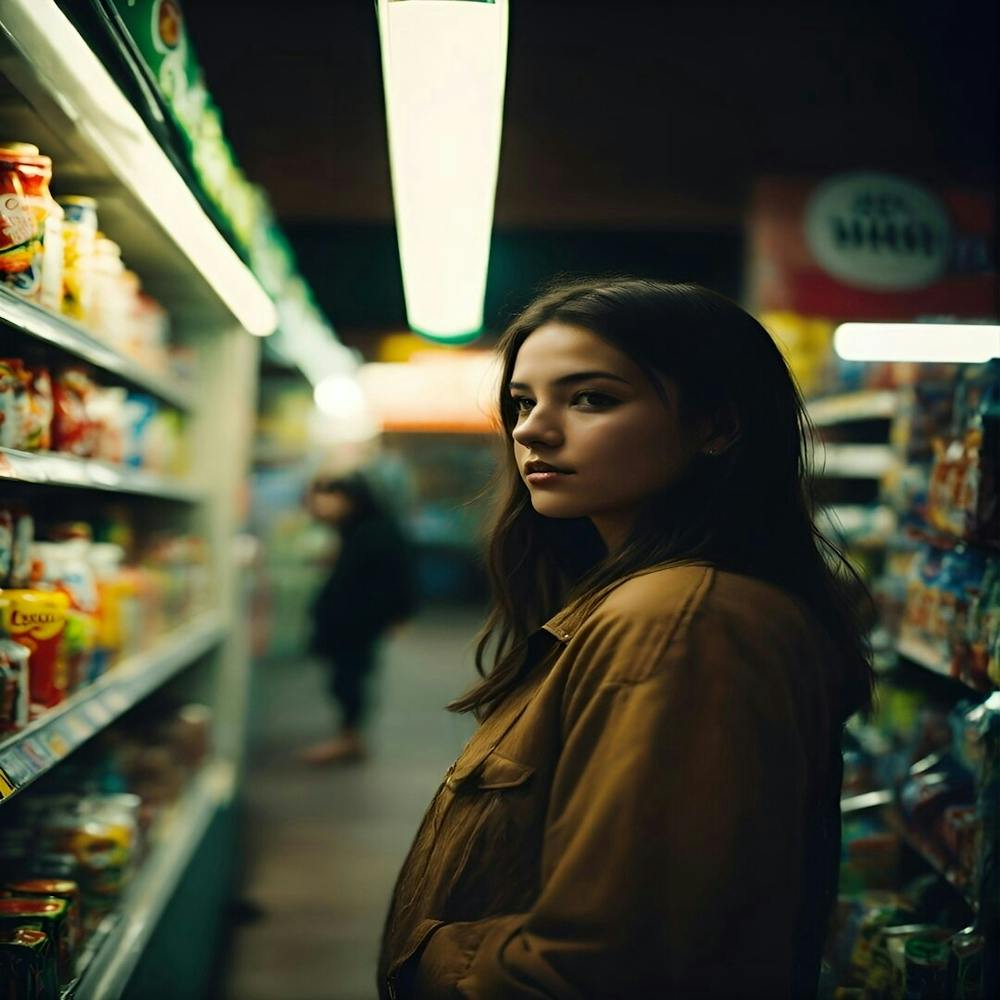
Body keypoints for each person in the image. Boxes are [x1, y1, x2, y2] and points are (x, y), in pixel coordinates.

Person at [376, 279, 874, 998]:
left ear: (717, 425)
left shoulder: (682, 623)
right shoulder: (645, 602)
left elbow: (610, 963)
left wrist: (433, 964)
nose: (531, 430)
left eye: (591, 399)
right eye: (523, 402)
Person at [301, 473, 416, 764]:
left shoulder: (373, 532)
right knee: (346, 676)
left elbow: (398, 578)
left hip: (357, 622)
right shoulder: (357, 529)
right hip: (352, 619)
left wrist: (398, 615)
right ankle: (349, 737)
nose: (321, 506)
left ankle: (349, 739)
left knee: (348, 677)